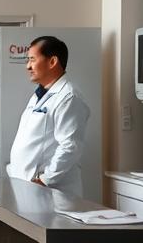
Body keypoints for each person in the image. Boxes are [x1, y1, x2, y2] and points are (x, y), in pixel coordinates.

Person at [6, 35, 90, 196]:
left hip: (49, 189)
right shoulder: (39, 94)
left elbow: (70, 146)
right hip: (27, 186)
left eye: (32, 59)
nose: (28, 66)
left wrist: (46, 179)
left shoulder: (68, 97)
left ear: (52, 62)